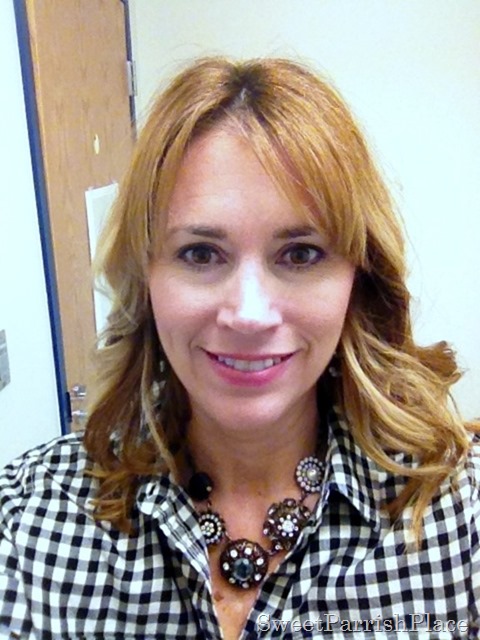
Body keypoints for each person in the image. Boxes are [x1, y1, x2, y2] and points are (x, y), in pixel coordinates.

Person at [1, 56, 479, 640]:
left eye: (300, 254)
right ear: (145, 278)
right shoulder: (28, 522)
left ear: (358, 279)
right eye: (201, 253)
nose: (250, 314)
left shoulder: (459, 514)